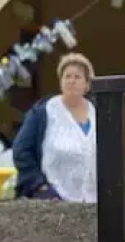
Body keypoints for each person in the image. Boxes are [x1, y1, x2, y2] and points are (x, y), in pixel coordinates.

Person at [13, 53, 98, 202]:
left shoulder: (98, 113)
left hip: (93, 201)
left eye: (77, 77)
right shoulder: (43, 112)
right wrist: (39, 186)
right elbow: (21, 151)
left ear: (87, 84)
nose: (72, 81)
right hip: (54, 199)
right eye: (67, 76)